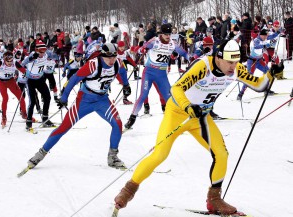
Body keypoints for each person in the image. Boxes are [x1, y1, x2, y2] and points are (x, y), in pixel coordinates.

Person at [114, 39, 284, 215]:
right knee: (160, 154)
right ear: (218, 57)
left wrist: (271, 73)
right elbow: (177, 88)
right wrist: (188, 106)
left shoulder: (236, 69)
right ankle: (128, 191)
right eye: (230, 62)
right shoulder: (203, 66)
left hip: (200, 118)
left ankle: (214, 200)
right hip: (177, 114)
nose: (233, 67)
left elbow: (259, 85)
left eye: (236, 61)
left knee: (221, 154)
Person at [25, 43, 131, 170]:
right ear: (102, 56)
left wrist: (126, 85)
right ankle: (40, 154)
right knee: (64, 127)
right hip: (84, 100)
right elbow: (75, 79)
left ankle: (113, 157)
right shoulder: (93, 64)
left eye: (114, 57)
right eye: (108, 57)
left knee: (117, 124)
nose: (111, 60)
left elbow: (123, 72)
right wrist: (64, 97)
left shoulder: (117, 63)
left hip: (102, 100)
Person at [124, 24, 191, 129]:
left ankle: (177, 120)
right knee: (143, 95)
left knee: (170, 98)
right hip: (149, 73)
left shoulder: (173, 44)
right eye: (165, 34)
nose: (168, 36)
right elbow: (140, 49)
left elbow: (184, 54)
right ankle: (132, 118)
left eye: (169, 34)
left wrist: (192, 60)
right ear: (161, 34)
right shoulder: (154, 41)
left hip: (162, 75)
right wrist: (143, 49)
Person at [21, 41, 59, 130]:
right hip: (30, 81)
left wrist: (57, 52)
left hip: (40, 79)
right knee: (33, 101)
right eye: (41, 52)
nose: (43, 53)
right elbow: (22, 63)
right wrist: (30, 59)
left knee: (47, 97)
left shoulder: (46, 54)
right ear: (37, 50)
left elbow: (55, 56)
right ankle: (29, 122)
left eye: (44, 51)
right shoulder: (31, 55)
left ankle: (45, 119)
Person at [237, 27, 280, 100]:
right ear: (262, 35)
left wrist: (278, 32)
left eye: (267, 36)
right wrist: (267, 45)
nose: (267, 37)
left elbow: (272, 36)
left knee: (268, 72)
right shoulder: (256, 40)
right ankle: (240, 94)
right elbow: (257, 47)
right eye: (265, 36)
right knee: (249, 77)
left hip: (259, 60)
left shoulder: (265, 37)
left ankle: (266, 90)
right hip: (252, 61)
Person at [0, 51, 28, 128]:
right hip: (1, 82)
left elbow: (23, 70)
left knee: (21, 97)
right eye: (7, 61)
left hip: (11, 81)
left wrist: (27, 74)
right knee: (5, 98)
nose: (9, 63)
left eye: (11, 60)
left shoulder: (15, 63)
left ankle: (24, 114)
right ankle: (4, 117)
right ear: (4, 60)